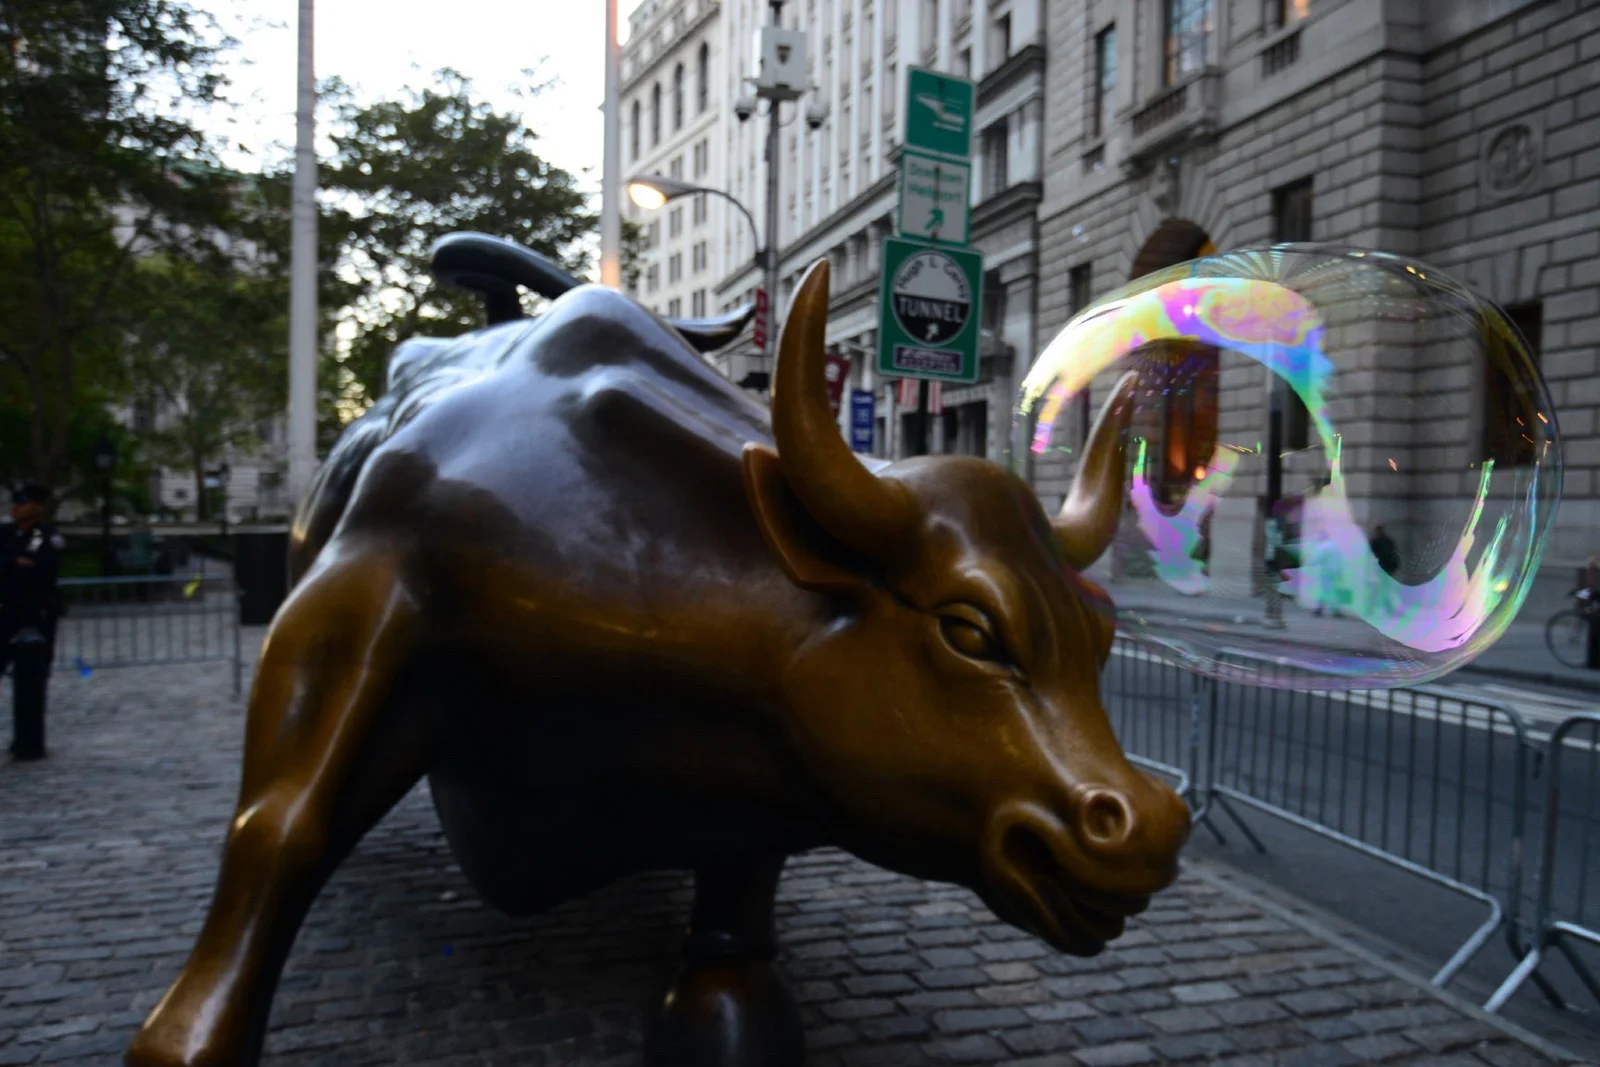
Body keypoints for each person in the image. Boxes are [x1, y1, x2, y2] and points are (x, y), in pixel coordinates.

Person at [3, 484, 63, 761]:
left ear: (38, 506)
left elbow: (39, 566)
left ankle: (29, 743)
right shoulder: (6, 533)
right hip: (6, 612)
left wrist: (16, 563)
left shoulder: (43, 536)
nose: (17, 507)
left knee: (31, 681)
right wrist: (14, 562)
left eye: (24, 502)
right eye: (16, 502)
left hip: (35, 617)